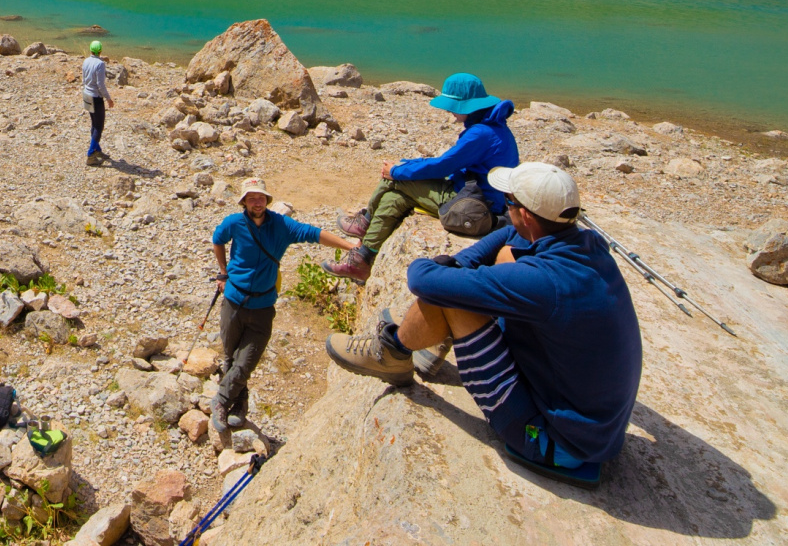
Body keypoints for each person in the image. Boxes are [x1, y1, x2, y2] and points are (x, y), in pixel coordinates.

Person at [325, 162, 642, 487]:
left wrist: (445, 265)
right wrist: (461, 262)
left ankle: (392, 352)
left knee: (450, 296)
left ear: (528, 217)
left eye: (509, 204)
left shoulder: (543, 282)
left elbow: (423, 280)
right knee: (505, 255)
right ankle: (424, 341)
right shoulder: (589, 245)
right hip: (597, 429)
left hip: (558, 442)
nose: (506, 208)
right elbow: (508, 233)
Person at [327, 72, 518, 283]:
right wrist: (407, 164)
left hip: (473, 206)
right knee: (397, 198)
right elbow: (450, 162)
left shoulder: (480, 134)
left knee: (395, 180)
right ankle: (362, 261)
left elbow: (444, 166)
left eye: (452, 106)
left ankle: (365, 221)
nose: (449, 111)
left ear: (466, 106)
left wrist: (397, 171)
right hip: (477, 197)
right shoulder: (494, 128)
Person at [210, 177, 361, 432]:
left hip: (262, 306)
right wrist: (222, 272)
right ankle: (239, 406)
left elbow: (313, 234)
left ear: (267, 201)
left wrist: (349, 246)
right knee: (230, 357)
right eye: (251, 198)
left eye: (260, 198)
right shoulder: (234, 223)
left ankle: (221, 401)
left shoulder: (281, 225)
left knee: (245, 360)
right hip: (233, 300)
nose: (256, 202)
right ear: (244, 201)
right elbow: (217, 239)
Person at [81, 40, 113, 166]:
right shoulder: (100, 64)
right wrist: (108, 98)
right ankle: (90, 154)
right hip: (96, 97)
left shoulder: (85, 61)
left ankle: (97, 150)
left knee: (94, 124)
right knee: (99, 127)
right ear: (100, 51)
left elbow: (84, 79)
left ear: (90, 50)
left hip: (86, 95)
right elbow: (100, 85)